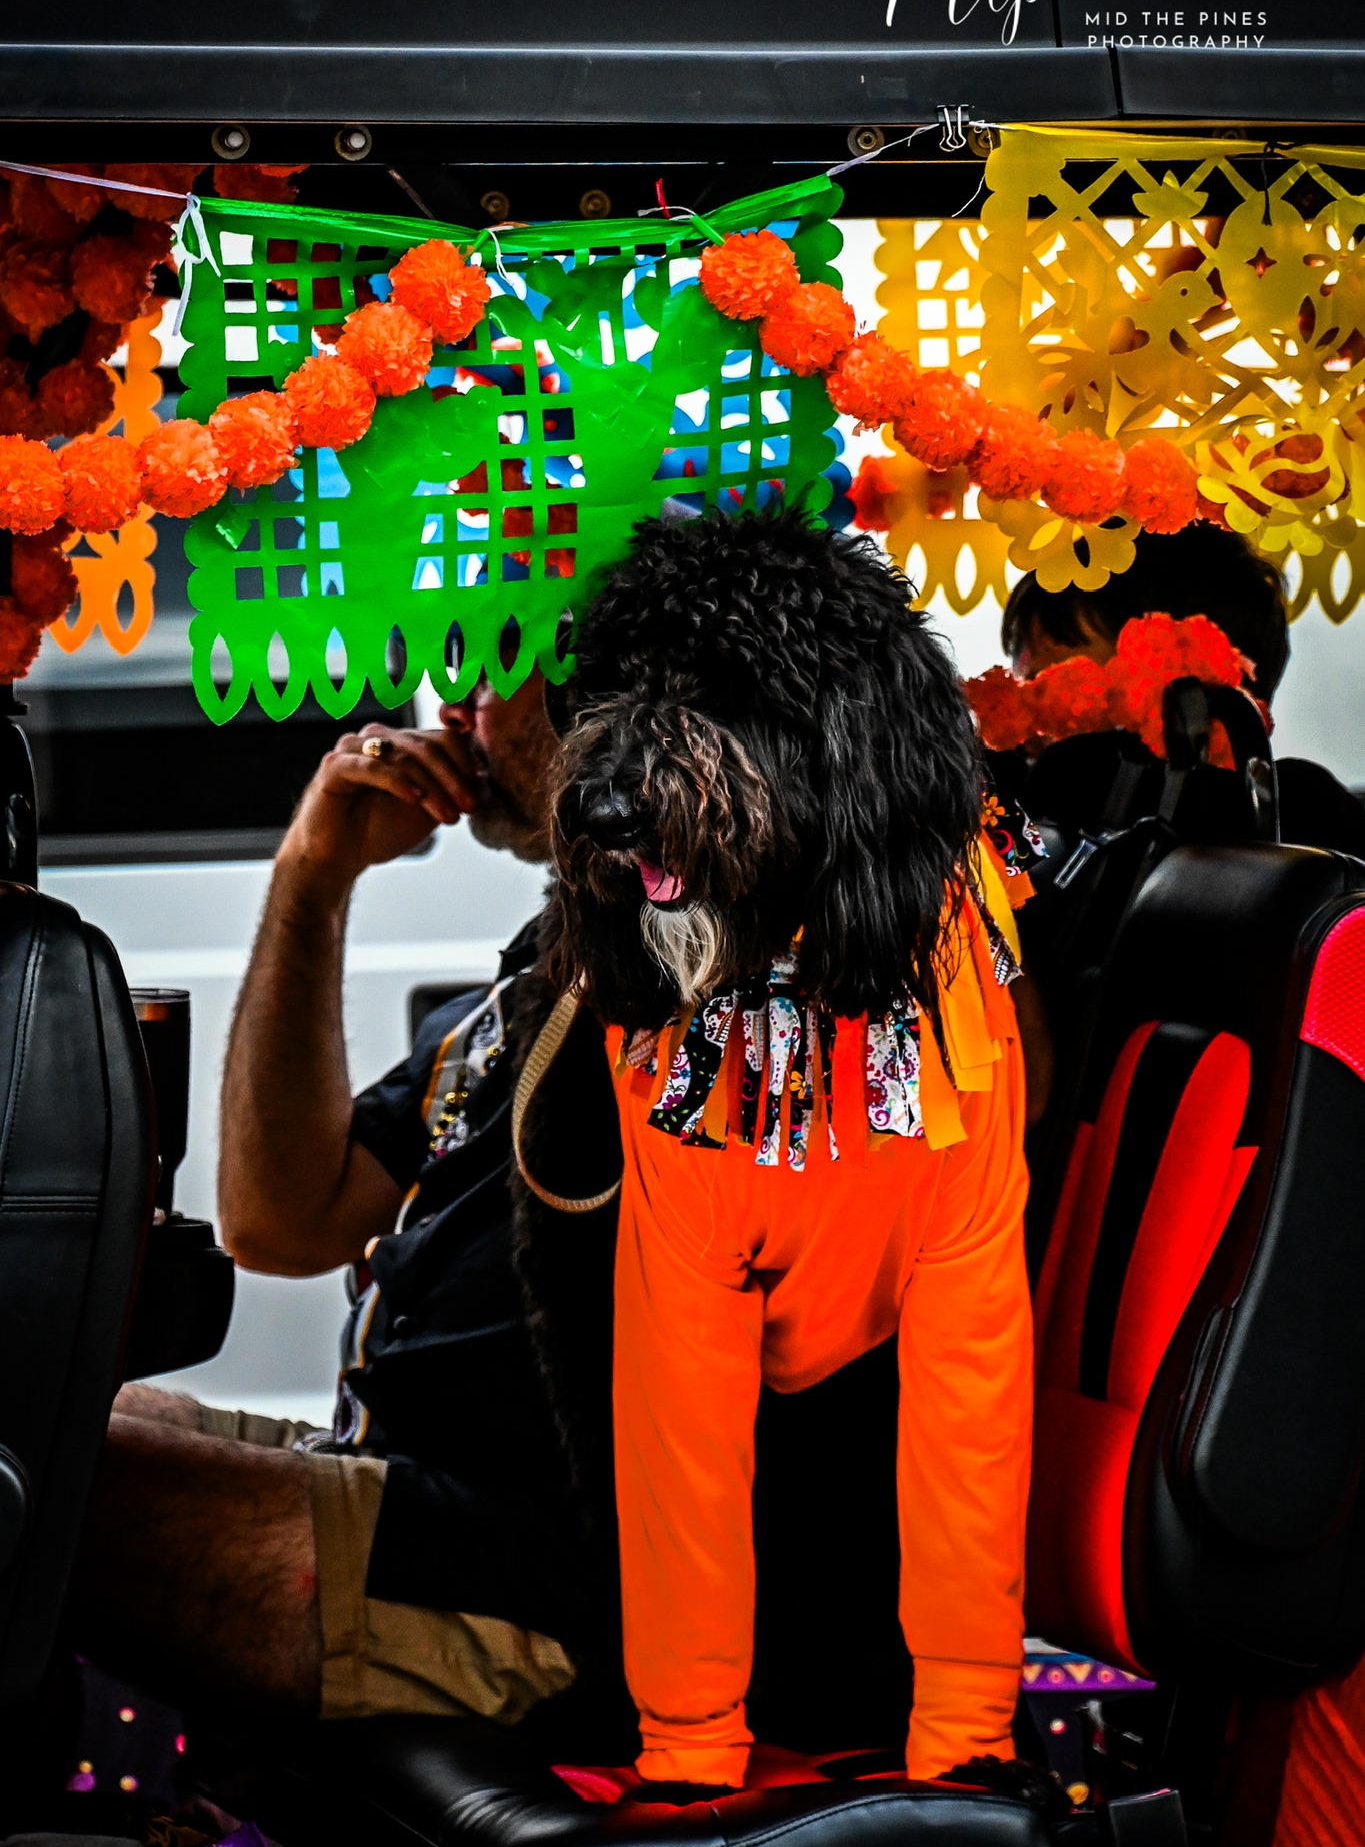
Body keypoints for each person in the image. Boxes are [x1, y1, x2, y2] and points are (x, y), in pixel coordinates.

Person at [67, 664, 918, 1758]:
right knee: (48, 1419)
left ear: (609, 689)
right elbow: (281, 1220)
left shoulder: (730, 961)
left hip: (541, 1572)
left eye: (492, 667)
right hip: (404, 1483)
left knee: (36, 1479)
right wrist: (313, 878)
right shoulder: (535, 982)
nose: (454, 707)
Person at [999, 520, 1365, 857]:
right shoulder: (1023, 809)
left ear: (1189, 663)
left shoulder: (1303, 815)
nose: (1022, 732)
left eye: (1045, 689)